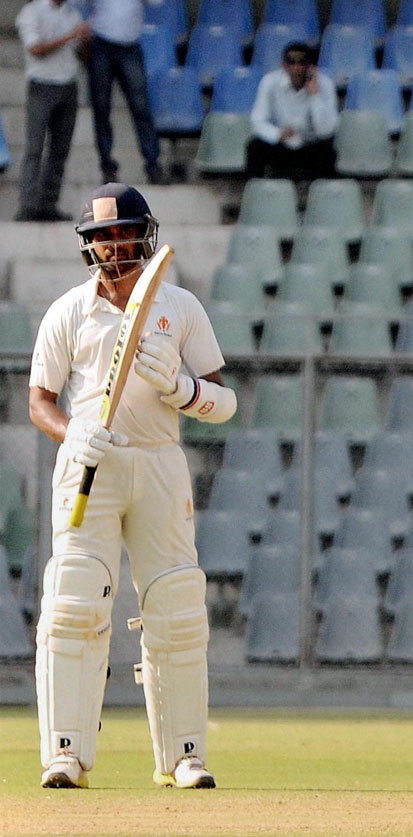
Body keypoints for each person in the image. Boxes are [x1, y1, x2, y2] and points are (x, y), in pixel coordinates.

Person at [29, 182, 237, 789]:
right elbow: (39, 400)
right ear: (88, 246)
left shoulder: (181, 306)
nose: (115, 246)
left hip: (158, 464)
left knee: (175, 605)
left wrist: (182, 391)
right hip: (88, 465)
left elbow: (224, 401)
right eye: (103, 237)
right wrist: (71, 435)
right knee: (73, 602)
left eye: (124, 234)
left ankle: (184, 756)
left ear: (144, 237)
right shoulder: (69, 310)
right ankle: (65, 754)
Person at [72, 0, 165, 184]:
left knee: (141, 107)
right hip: (100, 44)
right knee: (101, 108)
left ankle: (153, 165)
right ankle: (108, 167)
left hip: (130, 46)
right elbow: (75, 5)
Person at [14, 0, 90, 221]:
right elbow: (36, 49)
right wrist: (70, 36)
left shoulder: (72, 14)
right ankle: (27, 205)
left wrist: (85, 41)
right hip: (41, 85)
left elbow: (83, 55)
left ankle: (49, 204)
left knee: (59, 150)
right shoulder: (31, 12)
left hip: (68, 85)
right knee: (34, 148)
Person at [247, 41, 339, 180]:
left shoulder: (325, 85)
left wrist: (314, 95)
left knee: (328, 152)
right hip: (281, 145)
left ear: (311, 66)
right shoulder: (269, 82)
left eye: (302, 63)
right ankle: (256, 192)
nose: (296, 68)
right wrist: (278, 134)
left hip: (310, 145)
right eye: (291, 62)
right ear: (283, 65)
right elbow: (257, 120)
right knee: (254, 147)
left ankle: (324, 196)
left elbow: (326, 130)